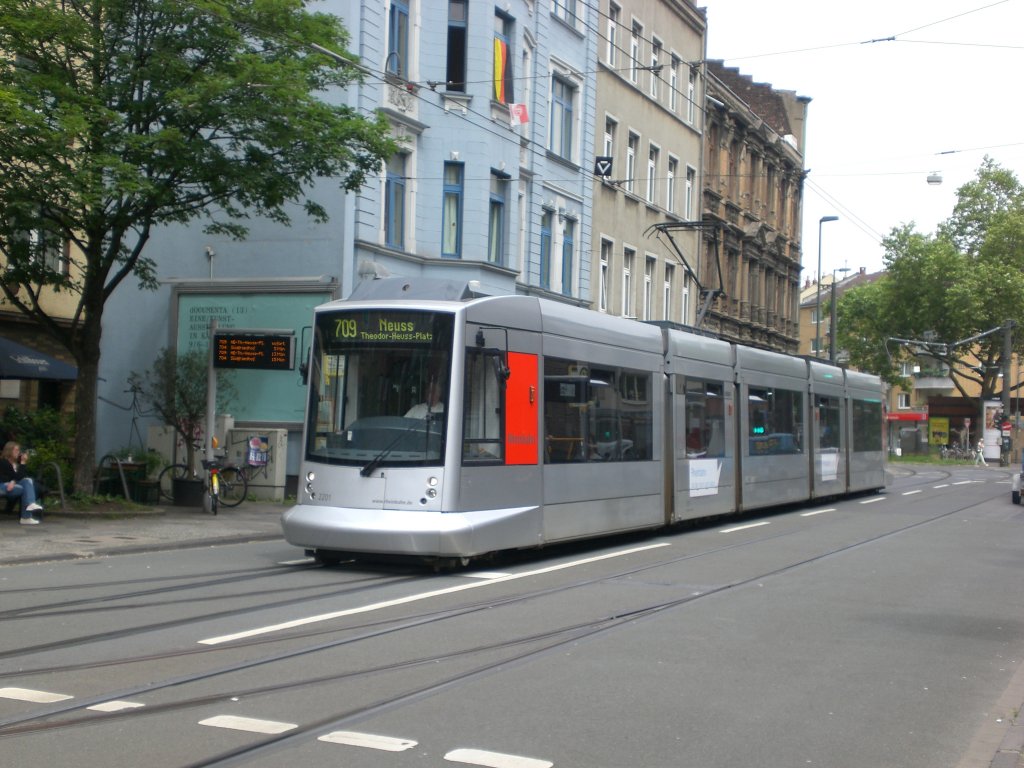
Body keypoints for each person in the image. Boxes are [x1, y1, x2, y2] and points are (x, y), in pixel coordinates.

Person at [0, 441, 43, 525]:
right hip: (3, 485)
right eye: (16, 450)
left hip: (13, 486)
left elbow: (19, 477)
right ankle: (26, 516)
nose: (18, 452)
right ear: (9, 450)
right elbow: (13, 477)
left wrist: (14, 481)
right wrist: (23, 463)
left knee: (27, 482)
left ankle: (30, 506)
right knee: (26, 486)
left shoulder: (16, 464)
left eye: (19, 450)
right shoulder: (3, 462)